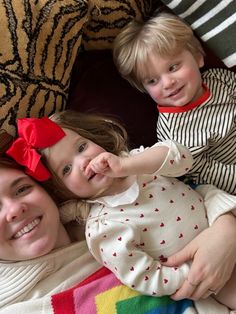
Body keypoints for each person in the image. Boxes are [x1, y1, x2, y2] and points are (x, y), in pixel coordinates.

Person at [6, 111, 236, 310]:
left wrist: (129, 165)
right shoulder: (103, 225)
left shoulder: (139, 162)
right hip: (212, 279)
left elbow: (183, 159)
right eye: (66, 169)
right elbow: (142, 276)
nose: (84, 161)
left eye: (82, 147)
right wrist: (193, 275)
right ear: (62, 191)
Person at [113, 12, 236, 196]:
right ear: (144, 88)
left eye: (173, 68)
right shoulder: (172, 133)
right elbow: (207, 173)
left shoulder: (219, 78)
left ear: (198, 57)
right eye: (153, 81)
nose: (168, 83)